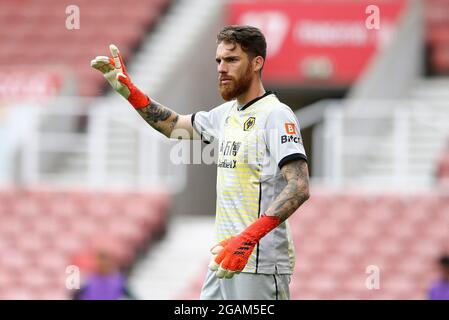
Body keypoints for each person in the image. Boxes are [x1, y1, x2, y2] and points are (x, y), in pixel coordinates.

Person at [91, 25, 310, 300]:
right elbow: (173, 126)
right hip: (222, 260)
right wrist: (130, 92)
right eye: (218, 60)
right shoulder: (226, 114)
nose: (221, 68)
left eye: (231, 60)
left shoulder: (277, 115)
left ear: (257, 63)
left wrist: (246, 240)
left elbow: (299, 186)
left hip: (259, 264)